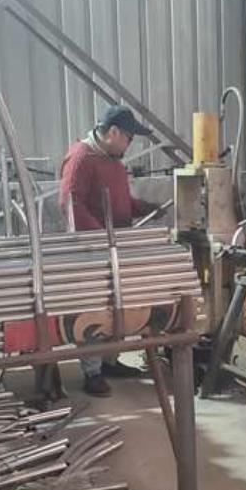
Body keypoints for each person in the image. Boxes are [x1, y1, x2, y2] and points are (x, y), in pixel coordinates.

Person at [59, 104, 160, 396]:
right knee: (94, 310)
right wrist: (102, 237)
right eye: (129, 138)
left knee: (118, 306)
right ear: (113, 132)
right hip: (93, 252)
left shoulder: (113, 160)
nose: (130, 144)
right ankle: (92, 373)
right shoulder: (82, 157)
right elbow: (70, 204)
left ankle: (109, 361)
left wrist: (141, 207)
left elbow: (120, 199)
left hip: (115, 247)